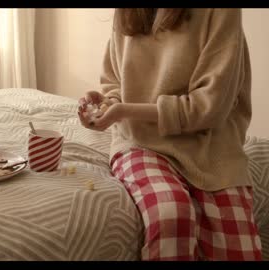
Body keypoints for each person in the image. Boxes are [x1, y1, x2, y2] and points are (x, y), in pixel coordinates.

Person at [78, 8, 262, 261]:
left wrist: (122, 109)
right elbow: (116, 84)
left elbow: (210, 108)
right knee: (171, 214)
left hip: (213, 147)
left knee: (237, 248)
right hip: (140, 142)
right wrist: (106, 105)